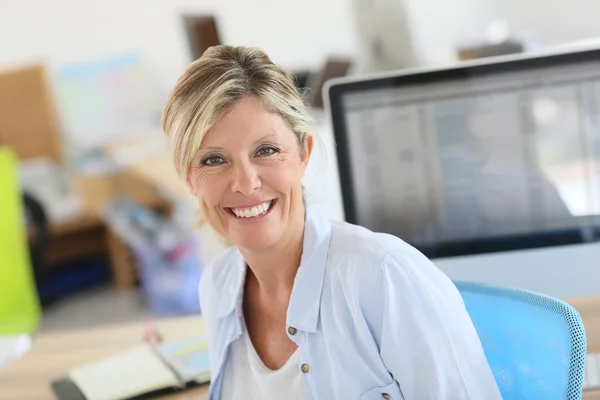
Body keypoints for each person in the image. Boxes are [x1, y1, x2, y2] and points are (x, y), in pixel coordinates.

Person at [162, 45, 502, 400]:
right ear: (188, 178)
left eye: (266, 150)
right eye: (214, 160)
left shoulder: (383, 276)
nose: (246, 183)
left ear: (304, 153)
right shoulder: (218, 285)